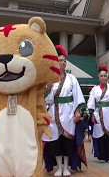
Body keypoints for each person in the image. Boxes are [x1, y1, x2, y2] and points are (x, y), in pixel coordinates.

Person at [43, 45, 86, 177]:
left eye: (64, 60)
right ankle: (59, 167)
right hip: (53, 114)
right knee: (55, 142)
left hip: (68, 113)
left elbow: (78, 96)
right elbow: (44, 99)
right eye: (60, 60)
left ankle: (66, 166)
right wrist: (48, 89)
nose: (63, 62)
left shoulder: (72, 79)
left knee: (67, 142)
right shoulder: (49, 78)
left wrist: (78, 112)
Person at [87, 65, 109, 163]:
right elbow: (91, 102)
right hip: (98, 114)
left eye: (105, 76)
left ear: (108, 77)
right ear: (98, 77)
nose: (103, 77)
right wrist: (92, 114)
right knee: (100, 135)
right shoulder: (95, 89)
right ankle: (101, 156)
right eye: (101, 76)